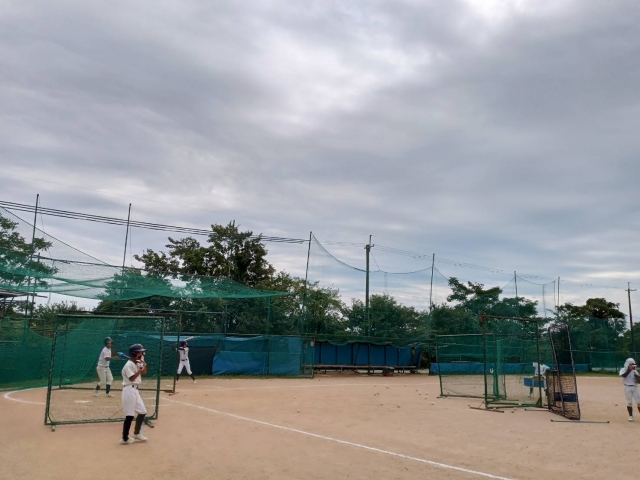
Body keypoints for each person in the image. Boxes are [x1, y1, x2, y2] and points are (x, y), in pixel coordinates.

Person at [120, 343, 149, 445]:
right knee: (130, 416)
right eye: (139, 352)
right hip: (129, 390)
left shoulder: (137, 362)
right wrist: (140, 370)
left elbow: (144, 372)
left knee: (143, 411)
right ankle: (124, 439)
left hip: (136, 390)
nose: (141, 354)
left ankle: (137, 433)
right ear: (134, 353)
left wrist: (143, 365)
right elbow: (132, 378)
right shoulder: (128, 365)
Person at [620, 358, 640, 422]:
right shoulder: (623, 370)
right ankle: (630, 416)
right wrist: (629, 370)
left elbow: (638, 381)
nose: (633, 366)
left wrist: (638, 378)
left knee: (639, 402)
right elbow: (624, 376)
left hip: (634, 387)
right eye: (631, 364)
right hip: (627, 387)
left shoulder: (635, 371)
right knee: (629, 402)